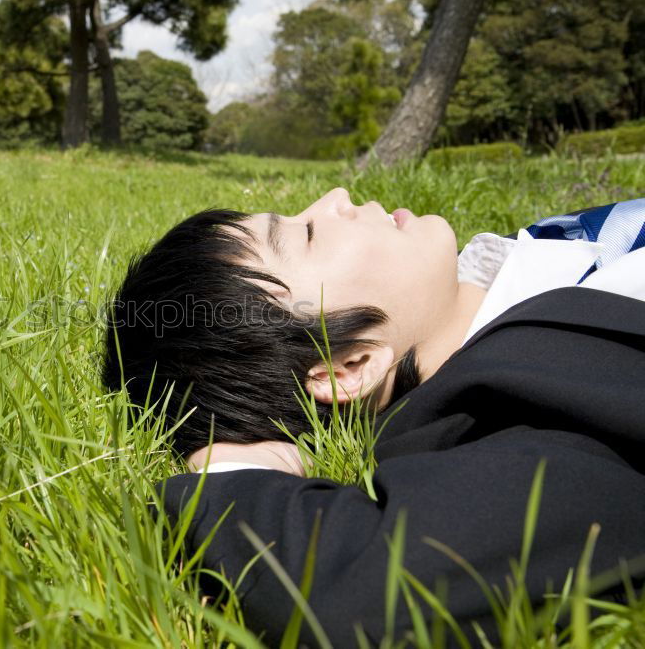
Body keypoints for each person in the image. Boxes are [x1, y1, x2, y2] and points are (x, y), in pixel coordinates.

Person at [100, 190, 645, 645]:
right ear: (347, 367)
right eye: (306, 235)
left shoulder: (532, 259)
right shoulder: (520, 405)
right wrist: (232, 470)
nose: (334, 198)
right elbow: (362, 603)